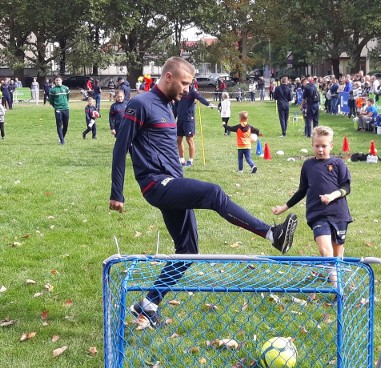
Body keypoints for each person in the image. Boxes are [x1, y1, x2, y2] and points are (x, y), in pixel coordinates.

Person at [110, 56, 298, 323]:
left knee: (188, 251)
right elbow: (121, 148)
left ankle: (148, 305)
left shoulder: (167, 106)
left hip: (174, 181)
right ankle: (271, 234)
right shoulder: (140, 104)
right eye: (185, 83)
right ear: (168, 78)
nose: (188, 89)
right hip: (156, 183)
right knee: (213, 193)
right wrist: (117, 192)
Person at [272, 126, 352, 284]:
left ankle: (336, 278)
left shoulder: (338, 164)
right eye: (317, 146)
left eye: (324, 146)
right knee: (324, 250)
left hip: (339, 214)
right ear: (312, 145)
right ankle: (337, 288)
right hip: (318, 216)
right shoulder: (308, 165)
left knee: (337, 256)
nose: (320, 149)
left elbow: (346, 188)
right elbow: (302, 190)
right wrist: (284, 207)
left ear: (331, 145)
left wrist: (332, 196)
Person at [175, 79, 214, 167]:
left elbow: (200, 98)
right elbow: (175, 106)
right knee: (178, 139)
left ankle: (190, 160)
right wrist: (173, 117)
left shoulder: (192, 91)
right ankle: (181, 160)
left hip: (188, 119)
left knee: (189, 140)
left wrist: (208, 104)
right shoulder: (179, 92)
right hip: (180, 119)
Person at [48, 76, 70, 144]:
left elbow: (68, 97)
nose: (58, 81)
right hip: (58, 109)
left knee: (65, 125)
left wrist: (65, 103)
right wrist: (56, 107)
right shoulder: (52, 90)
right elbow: (51, 100)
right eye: (56, 80)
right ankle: (62, 141)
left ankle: (62, 138)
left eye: (59, 80)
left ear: (61, 80)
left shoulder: (66, 88)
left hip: (66, 108)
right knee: (59, 125)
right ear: (55, 81)